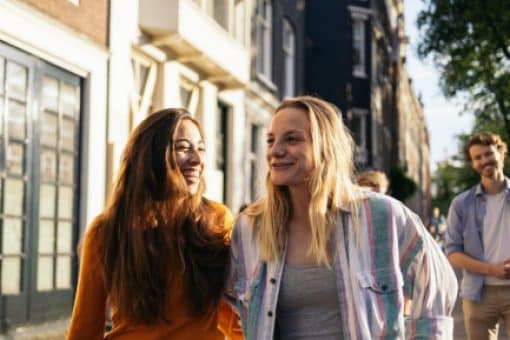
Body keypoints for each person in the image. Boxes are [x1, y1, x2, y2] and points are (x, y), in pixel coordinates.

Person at [225, 96, 457, 339]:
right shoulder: (250, 227)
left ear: (326, 146)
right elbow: (234, 303)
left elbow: (438, 285)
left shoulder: (382, 216)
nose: (276, 150)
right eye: (271, 140)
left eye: (292, 139)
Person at [67, 109, 241, 339]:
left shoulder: (218, 219)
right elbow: (84, 329)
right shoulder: (107, 231)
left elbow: (230, 313)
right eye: (183, 148)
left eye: (200, 148)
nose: (198, 160)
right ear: (154, 156)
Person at [445, 132, 510, 340]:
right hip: (477, 294)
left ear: (500, 152)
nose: (484, 161)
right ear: (473, 164)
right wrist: (492, 270)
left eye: (488, 154)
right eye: (477, 158)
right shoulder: (461, 204)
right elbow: (452, 252)